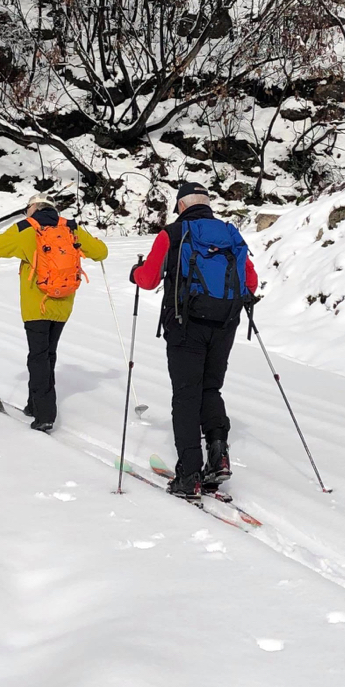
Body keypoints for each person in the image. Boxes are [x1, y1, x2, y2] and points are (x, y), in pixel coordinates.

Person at [130, 181, 258, 498]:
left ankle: (189, 475)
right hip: (225, 324)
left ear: (182, 206)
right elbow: (250, 281)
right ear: (207, 204)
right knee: (210, 388)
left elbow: (147, 280)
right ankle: (218, 459)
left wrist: (135, 271)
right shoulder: (230, 233)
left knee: (186, 396)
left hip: (185, 324)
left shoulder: (172, 234)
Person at [0, 197, 108, 431]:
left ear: (33, 209)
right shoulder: (71, 227)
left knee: (38, 357)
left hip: (35, 305)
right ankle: (34, 404)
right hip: (64, 304)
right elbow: (101, 252)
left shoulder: (26, 228)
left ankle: (45, 414)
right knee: (48, 354)